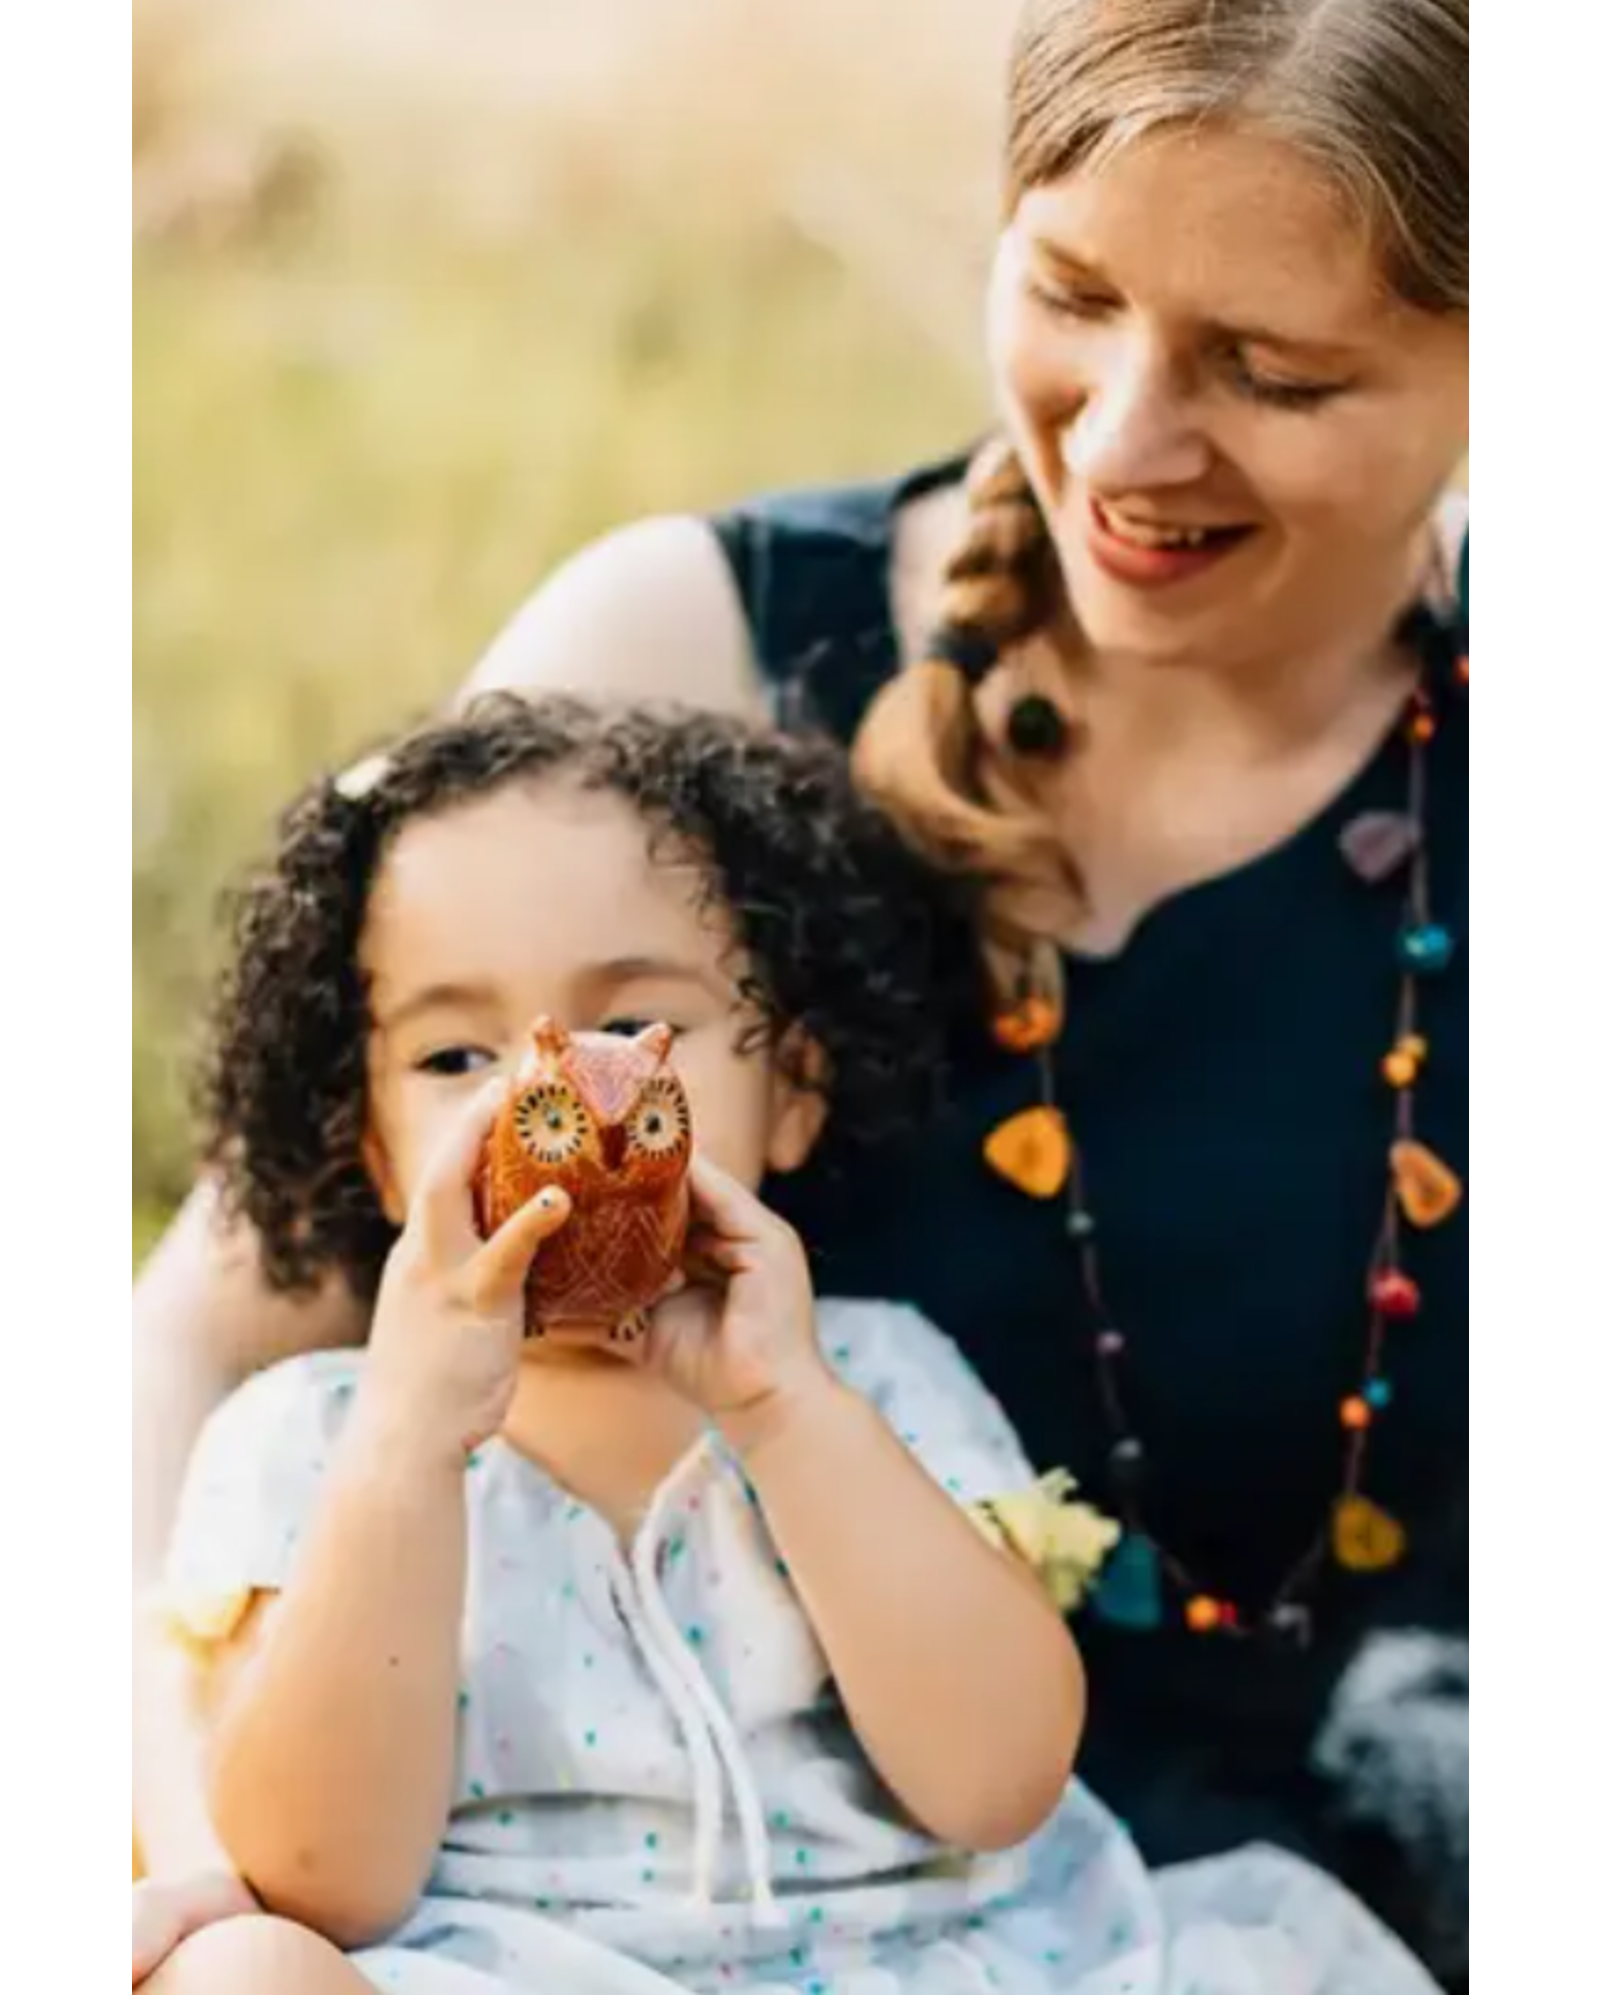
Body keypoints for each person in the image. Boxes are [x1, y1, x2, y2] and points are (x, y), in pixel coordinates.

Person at [132, 0, 1470, 1982]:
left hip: (1123, 1902)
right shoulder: (692, 659)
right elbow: (209, 1329)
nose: (1118, 442)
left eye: (1269, 371)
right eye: (1070, 292)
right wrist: (196, 1857)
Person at [145, 694, 1442, 1994]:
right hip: (514, 1969)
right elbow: (323, 1877)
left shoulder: (875, 1380)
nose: (556, 1103)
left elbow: (997, 1784)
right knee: (247, 1971)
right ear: (374, 1154)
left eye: (629, 1032)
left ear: (795, 1096)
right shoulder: (314, 1436)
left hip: (928, 1962)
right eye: (457, 1053)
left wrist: (786, 1413)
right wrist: (407, 1445)